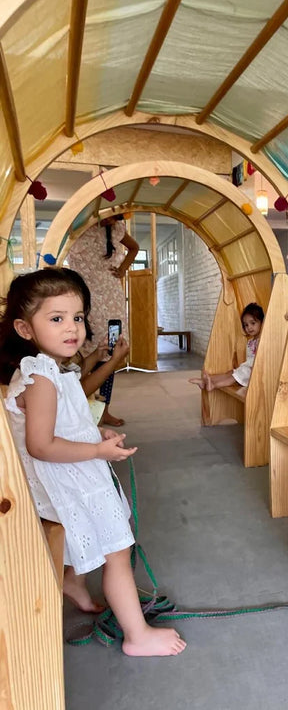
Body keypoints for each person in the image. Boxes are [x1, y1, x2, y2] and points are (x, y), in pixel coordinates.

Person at [0, 269, 186, 657]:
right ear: (24, 328)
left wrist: (94, 434)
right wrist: (98, 452)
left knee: (97, 542)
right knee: (117, 551)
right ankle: (138, 636)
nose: (72, 328)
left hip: (72, 473)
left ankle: (74, 582)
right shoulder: (41, 377)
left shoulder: (52, 369)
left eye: (78, 317)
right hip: (66, 481)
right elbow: (41, 445)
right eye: (57, 318)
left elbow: (64, 422)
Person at [67, 213, 139, 427]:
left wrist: (123, 269)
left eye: (115, 216)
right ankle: (79, 408)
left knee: (110, 353)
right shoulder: (81, 222)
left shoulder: (117, 228)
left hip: (110, 297)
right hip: (83, 296)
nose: (111, 220)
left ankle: (104, 410)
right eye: (109, 215)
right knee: (83, 352)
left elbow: (134, 248)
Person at [189, 302, 264, 391]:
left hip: (254, 371)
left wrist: (244, 368)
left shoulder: (263, 341)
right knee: (231, 372)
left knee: (234, 376)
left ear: (262, 323)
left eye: (253, 323)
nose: (249, 327)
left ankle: (214, 385)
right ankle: (204, 381)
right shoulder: (250, 342)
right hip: (247, 368)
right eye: (246, 325)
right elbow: (249, 359)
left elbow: (258, 361)